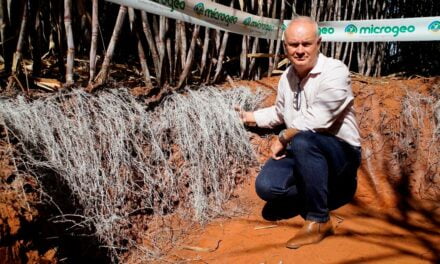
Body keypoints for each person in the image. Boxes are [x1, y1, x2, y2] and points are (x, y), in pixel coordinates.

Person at [237, 16, 361, 249]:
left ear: (319, 43)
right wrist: (250, 117)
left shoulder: (335, 71)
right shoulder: (287, 77)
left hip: (340, 154)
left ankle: (319, 219)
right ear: (285, 47)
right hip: (303, 152)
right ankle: (319, 189)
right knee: (268, 187)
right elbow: (281, 112)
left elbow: (319, 119)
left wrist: (283, 136)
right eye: (294, 45)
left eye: (306, 44)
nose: (300, 50)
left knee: (304, 140)